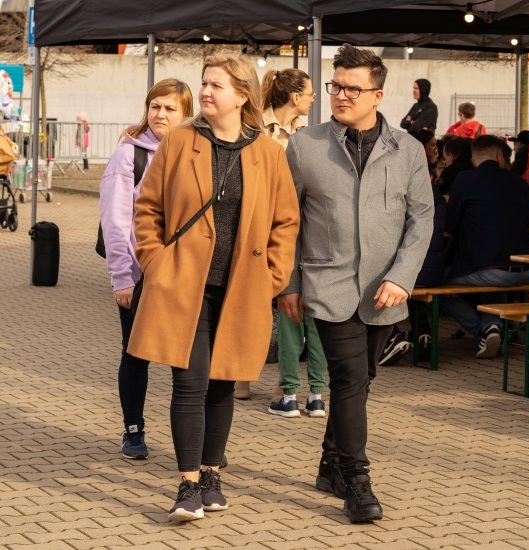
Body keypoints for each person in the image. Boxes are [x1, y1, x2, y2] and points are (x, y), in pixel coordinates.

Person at [127, 53, 300, 522]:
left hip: (242, 286)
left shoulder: (266, 152)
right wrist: (155, 261)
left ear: (243, 94)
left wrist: (273, 277)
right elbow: (147, 209)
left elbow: (286, 220)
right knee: (189, 383)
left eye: (216, 85)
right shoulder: (181, 141)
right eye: (204, 83)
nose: (204, 92)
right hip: (185, 284)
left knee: (223, 384)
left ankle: (210, 476)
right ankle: (186, 485)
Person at [282, 44, 434, 523]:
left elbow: (422, 219)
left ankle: (330, 463)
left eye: (352, 88)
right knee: (348, 381)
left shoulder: (407, 149)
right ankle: (358, 482)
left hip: (384, 290)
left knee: (362, 379)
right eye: (335, 86)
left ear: (378, 94)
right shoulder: (306, 145)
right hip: (327, 285)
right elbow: (286, 222)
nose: (341, 95)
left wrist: (403, 277)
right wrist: (288, 282)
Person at [99, 78, 193, 460]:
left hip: (185, 275)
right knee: (135, 354)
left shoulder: (196, 152)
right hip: (140, 276)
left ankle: (192, 440)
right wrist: (122, 276)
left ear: (187, 114)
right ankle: (133, 430)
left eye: (171, 108)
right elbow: (116, 221)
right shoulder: (130, 155)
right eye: (156, 106)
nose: (161, 115)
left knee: (186, 358)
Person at [246, 67, 328, 418]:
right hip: (256, 227)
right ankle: (241, 375)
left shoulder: (309, 136)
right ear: (295, 97)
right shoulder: (254, 128)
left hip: (292, 228)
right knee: (252, 305)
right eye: (310, 94)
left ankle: (287, 386)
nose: (313, 99)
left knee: (290, 306)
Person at [444, 135, 529, 358]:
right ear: (500, 157)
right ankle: (492, 327)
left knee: (439, 287)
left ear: (473, 160)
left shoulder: (464, 180)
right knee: (492, 283)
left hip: (490, 270)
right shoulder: (516, 181)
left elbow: (450, 225)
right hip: (527, 271)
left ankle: (481, 330)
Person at [379, 129, 447, 367]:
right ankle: (423, 332)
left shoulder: (399, 183)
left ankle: (392, 336)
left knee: (382, 278)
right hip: (430, 270)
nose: (436, 150)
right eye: (432, 145)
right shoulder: (431, 188)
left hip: (408, 269)